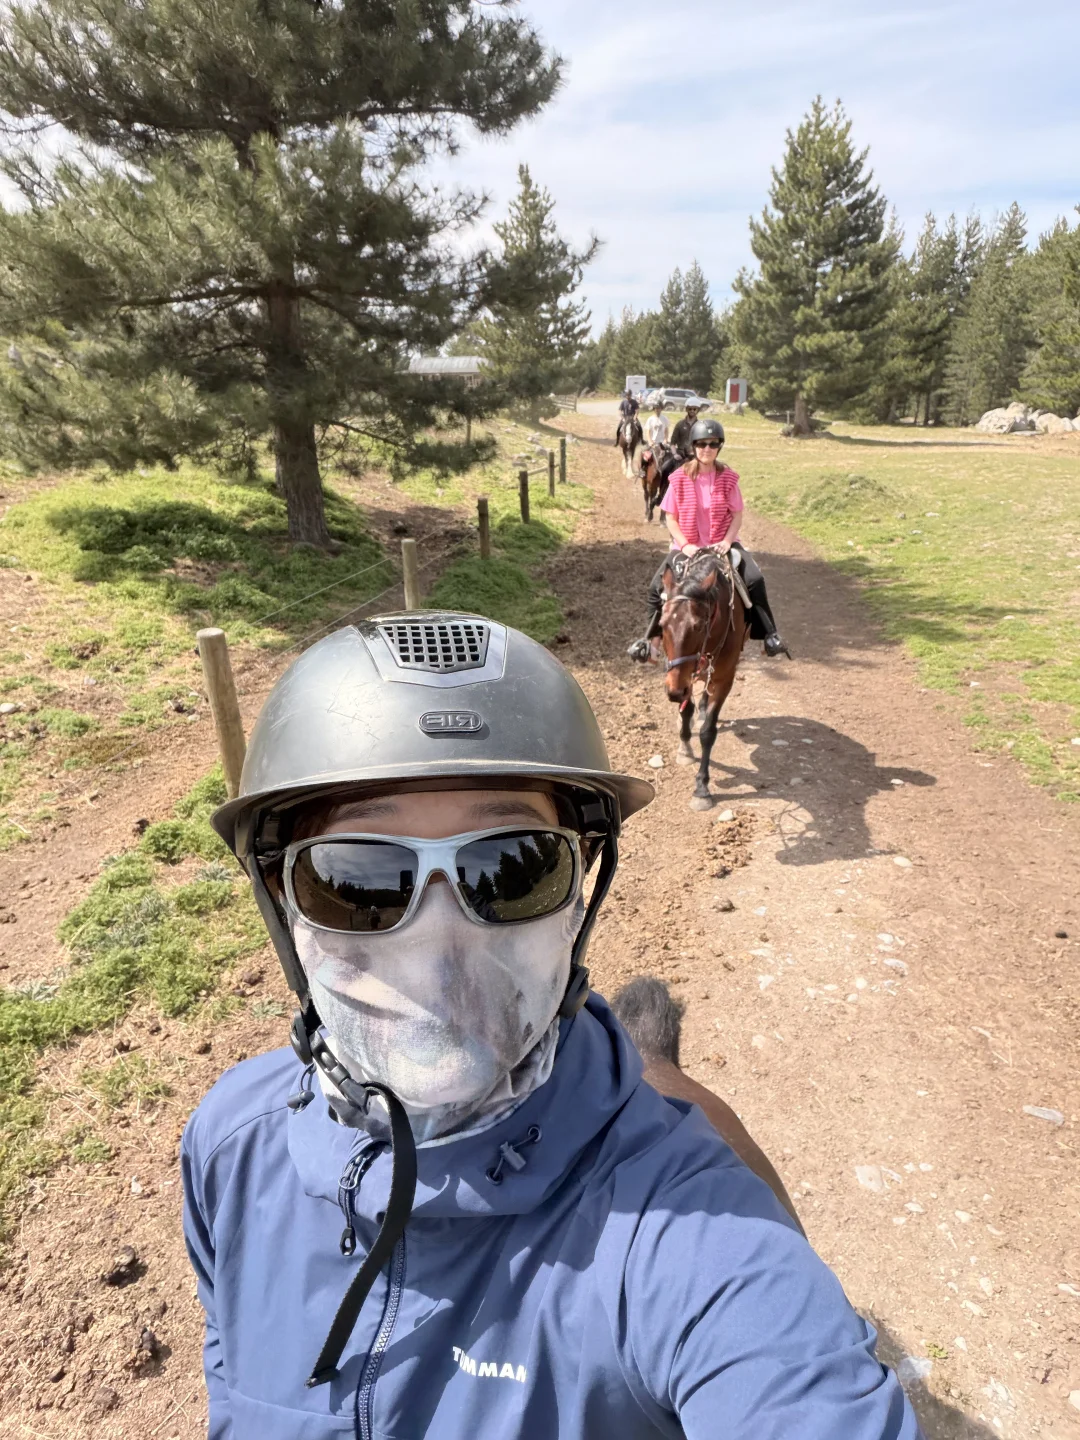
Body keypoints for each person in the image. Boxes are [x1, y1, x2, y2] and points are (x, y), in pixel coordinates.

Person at [182, 614, 917, 1438]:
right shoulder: (225, 1150)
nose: (440, 945)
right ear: (281, 898)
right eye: (360, 878)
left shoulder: (693, 1240)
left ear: (580, 894)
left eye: (511, 867)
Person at [627, 417, 791, 661]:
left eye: (713, 444)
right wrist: (685, 545)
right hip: (687, 546)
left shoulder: (728, 478)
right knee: (655, 587)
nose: (707, 449)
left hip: (721, 543)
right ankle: (650, 642)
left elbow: (736, 515)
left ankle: (769, 635)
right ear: (694, 446)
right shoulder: (679, 478)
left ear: (719, 447)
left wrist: (727, 541)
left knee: (755, 579)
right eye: (702, 444)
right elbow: (671, 518)